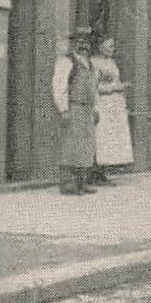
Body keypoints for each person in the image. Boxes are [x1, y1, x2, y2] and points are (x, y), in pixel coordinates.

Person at [52, 28, 99, 195]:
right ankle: (67, 183)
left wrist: (95, 109)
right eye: (80, 41)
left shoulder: (91, 64)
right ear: (74, 43)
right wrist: (64, 109)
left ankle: (81, 182)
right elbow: (60, 87)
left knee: (85, 145)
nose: (83, 45)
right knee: (70, 145)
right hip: (74, 107)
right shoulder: (67, 62)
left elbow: (95, 89)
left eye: (86, 41)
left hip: (87, 109)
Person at [90, 35, 133, 182]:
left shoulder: (111, 62)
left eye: (112, 46)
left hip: (115, 104)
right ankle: (94, 171)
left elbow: (116, 80)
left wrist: (121, 88)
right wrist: (115, 87)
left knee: (110, 138)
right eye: (109, 46)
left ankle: (102, 172)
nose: (112, 49)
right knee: (101, 136)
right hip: (103, 102)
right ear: (100, 46)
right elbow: (94, 87)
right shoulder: (94, 62)